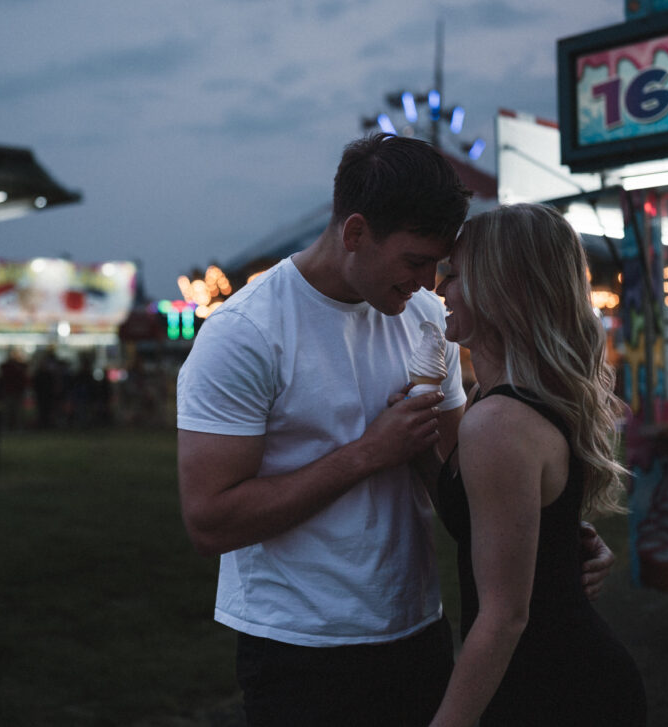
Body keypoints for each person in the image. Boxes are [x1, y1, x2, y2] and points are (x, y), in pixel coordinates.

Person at [176, 135, 614, 726]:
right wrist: (366, 455)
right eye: (414, 261)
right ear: (354, 233)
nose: (430, 282)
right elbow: (209, 522)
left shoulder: (427, 319)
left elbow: (470, 480)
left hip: (420, 634)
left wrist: (552, 537)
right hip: (301, 649)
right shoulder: (246, 333)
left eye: (440, 264)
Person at [424, 203, 646, 726]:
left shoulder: (498, 420)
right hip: (542, 675)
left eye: (453, 276)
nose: (438, 291)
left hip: (556, 689)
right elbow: (490, 511)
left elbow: (503, 618)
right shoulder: (492, 397)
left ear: (500, 287)